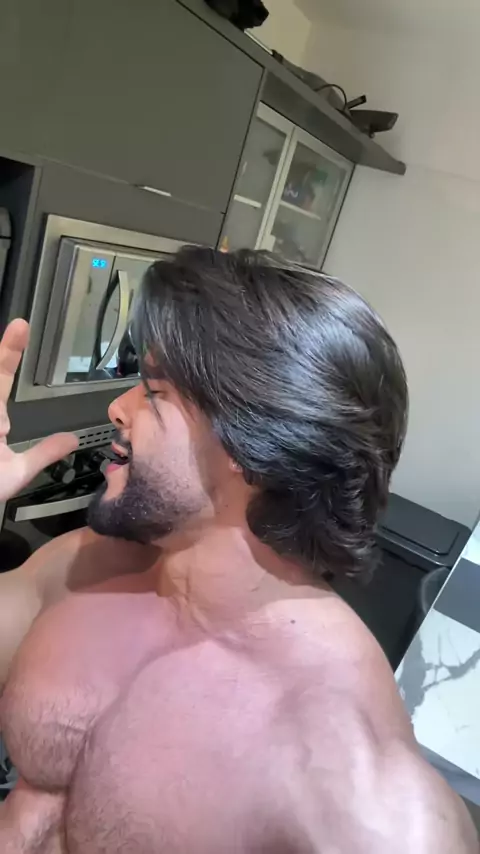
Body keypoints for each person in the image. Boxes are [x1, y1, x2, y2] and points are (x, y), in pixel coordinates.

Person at [0, 248, 477, 853]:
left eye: (154, 391)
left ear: (253, 446)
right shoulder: (85, 565)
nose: (118, 407)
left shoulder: (364, 800)